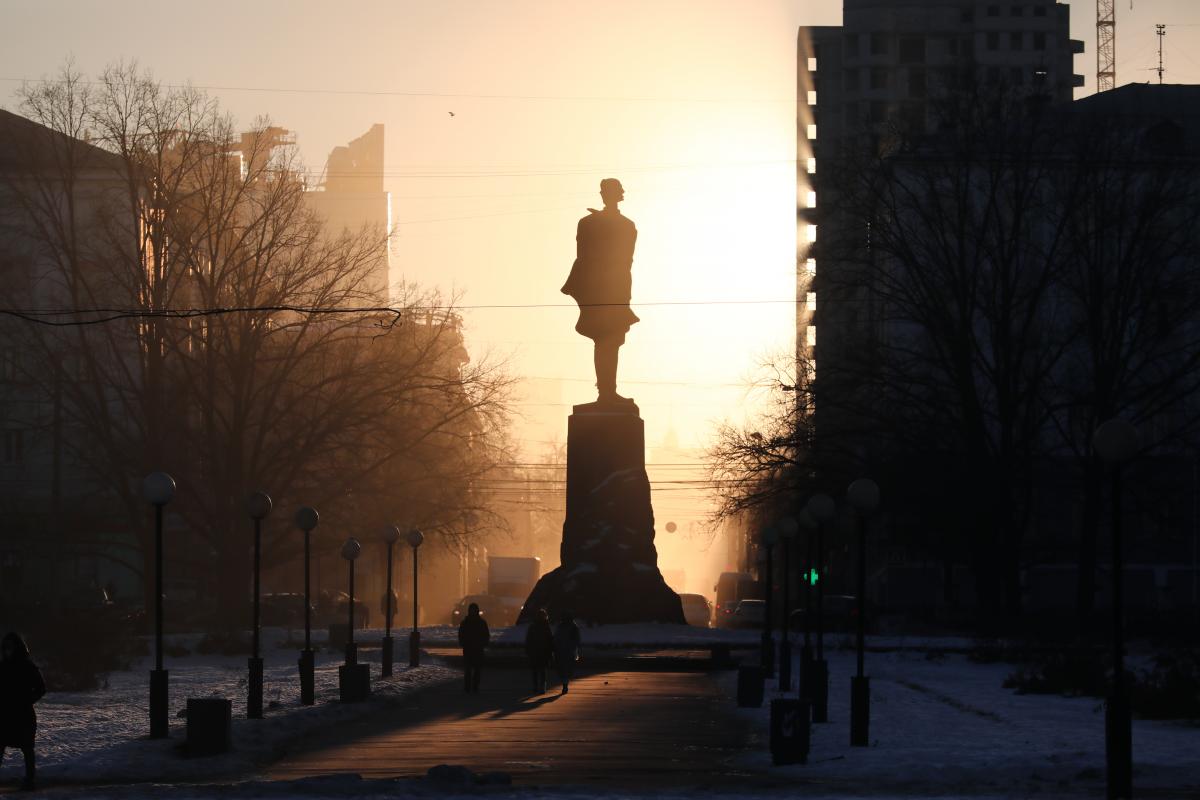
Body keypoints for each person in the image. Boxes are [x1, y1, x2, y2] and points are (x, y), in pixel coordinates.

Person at [560, 178, 639, 404]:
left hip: (610, 289)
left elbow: (621, 260)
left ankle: (607, 392)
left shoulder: (595, 223)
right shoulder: (615, 224)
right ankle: (606, 393)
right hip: (606, 290)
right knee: (607, 340)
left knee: (609, 341)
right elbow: (621, 260)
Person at [0, 632, 46, 791]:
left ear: (17, 648)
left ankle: (29, 781)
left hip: (23, 715)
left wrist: (26, 701)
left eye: (10, 647)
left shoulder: (28, 666)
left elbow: (41, 688)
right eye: (5, 647)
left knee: (27, 748)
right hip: (5, 715)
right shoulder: (2, 666)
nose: (7, 651)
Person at [456, 603, 490, 694]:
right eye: (472, 610)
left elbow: (486, 635)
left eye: (474, 610)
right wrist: (463, 643)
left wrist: (483, 644)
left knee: (476, 670)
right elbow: (461, 634)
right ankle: (468, 687)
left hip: (477, 649)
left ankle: (474, 687)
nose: (473, 612)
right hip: (469, 649)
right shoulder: (466, 622)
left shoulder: (480, 622)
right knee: (468, 670)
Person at [524, 609, 554, 694]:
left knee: (535, 671)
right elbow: (550, 640)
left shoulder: (532, 626)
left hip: (534, 651)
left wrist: (527, 650)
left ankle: (535, 687)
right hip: (544, 651)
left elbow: (528, 639)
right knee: (543, 670)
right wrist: (551, 651)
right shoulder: (546, 626)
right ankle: (542, 687)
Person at [553, 613, 582, 695]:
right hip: (570, 651)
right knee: (568, 669)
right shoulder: (574, 627)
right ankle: (565, 684)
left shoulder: (560, 627)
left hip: (560, 651)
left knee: (561, 669)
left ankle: (564, 683)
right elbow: (577, 640)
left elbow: (556, 638)